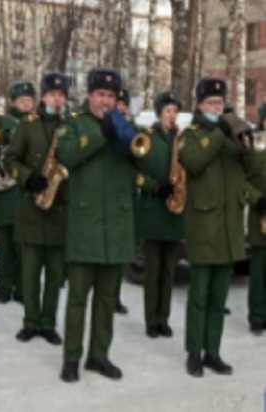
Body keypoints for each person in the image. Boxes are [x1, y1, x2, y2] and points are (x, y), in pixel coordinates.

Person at [57, 68, 139, 383]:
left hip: (116, 226)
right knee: (78, 297)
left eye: (111, 96)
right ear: (90, 95)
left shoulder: (125, 127)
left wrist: (125, 133)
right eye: (100, 95)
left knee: (107, 299)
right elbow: (68, 155)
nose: (105, 101)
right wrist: (101, 134)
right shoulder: (74, 124)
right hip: (85, 224)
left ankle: (99, 355)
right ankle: (71, 358)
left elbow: (150, 162)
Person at [179, 77, 264, 377]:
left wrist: (246, 142)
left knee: (218, 299)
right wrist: (218, 133)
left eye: (220, 102)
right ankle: (193, 352)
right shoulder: (191, 134)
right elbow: (193, 161)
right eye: (211, 103)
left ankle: (212, 351)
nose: (217, 107)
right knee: (199, 297)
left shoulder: (231, 136)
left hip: (228, 229)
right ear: (200, 105)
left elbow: (248, 172)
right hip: (204, 228)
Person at [4, 73, 69, 346]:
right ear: (43, 97)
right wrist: (28, 177)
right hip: (32, 206)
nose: (56, 98)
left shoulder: (71, 125)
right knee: (29, 274)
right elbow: (10, 159)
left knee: (55, 275)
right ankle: (30, 322)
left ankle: (48, 323)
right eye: (52, 94)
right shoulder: (28, 125)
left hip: (60, 209)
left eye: (61, 94)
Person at [133, 91, 184, 338]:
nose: (172, 116)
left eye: (175, 111)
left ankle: (164, 319)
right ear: (159, 113)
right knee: (153, 271)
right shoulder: (147, 138)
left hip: (175, 215)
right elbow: (135, 174)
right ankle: (151, 320)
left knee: (169, 271)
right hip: (153, 213)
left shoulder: (182, 140)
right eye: (168, 111)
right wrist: (155, 186)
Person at [0, 81, 36, 304]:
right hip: (7, 191)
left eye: (29, 100)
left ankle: (21, 288)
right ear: (12, 102)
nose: (27, 104)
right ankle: (4, 287)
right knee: (6, 245)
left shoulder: (37, 123)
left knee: (25, 247)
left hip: (28, 192)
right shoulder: (2, 122)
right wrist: (3, 142)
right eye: (22, 100)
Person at [246, 105, 266, 336]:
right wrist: (257, 199)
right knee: (259, 269)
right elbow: (244, 180)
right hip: (260, 214)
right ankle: (257, 316)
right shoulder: (254, 144)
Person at [112, 87, 132, 315]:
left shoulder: (130, 129)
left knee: (118, 254)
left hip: (125, 200)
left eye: (123, 105)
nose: (121, 108)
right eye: (119, 103)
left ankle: (115, 296)